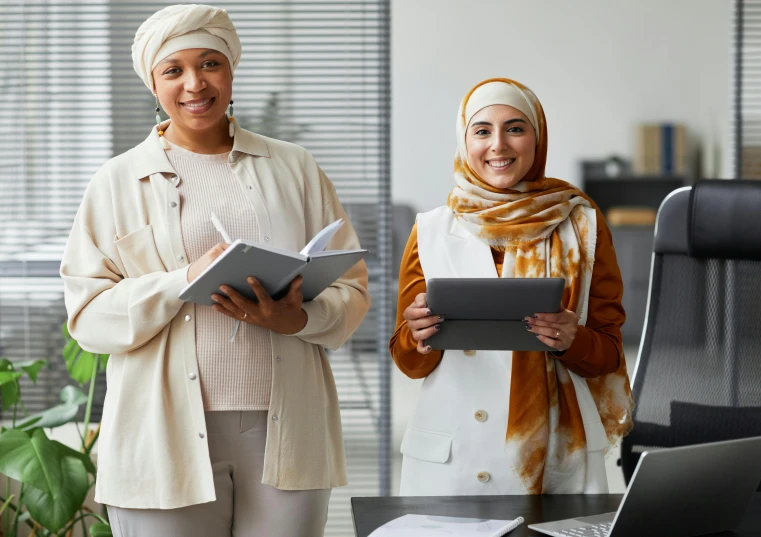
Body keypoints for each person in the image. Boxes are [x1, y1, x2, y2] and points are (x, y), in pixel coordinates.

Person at [60, 5, 370, 536]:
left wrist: (294, 320)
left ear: (231, 70)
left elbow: (351, 289)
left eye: (209, 64)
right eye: (173, 70)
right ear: (153, 84)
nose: (195, 83)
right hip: (159, 433)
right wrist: (181, 280)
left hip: (285, 427)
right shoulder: (114, 182)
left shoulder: (294, 167)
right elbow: (88, 317)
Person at [389, 78, 633, 496]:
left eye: (515, 128)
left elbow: (609, 353)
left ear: (537, 139)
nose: (498, 145)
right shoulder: (430, 230)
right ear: (465, 142)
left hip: (558, 456)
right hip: (453, 460)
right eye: (482, 131)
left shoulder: (583, 225)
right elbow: (409, 364)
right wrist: (417, 336)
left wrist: (570, 340)